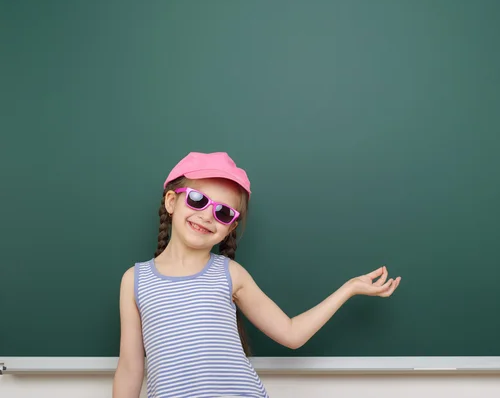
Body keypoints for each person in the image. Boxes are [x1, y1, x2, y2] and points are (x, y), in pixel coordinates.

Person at [112, 151, 401, 398]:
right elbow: (130, 368)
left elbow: (290, 333)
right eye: (197, 199)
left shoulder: (230, 273)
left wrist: (348, 288)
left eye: (224, 213)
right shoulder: (135, 281)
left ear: (230, 228)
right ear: (172, 202)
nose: (207, 215)